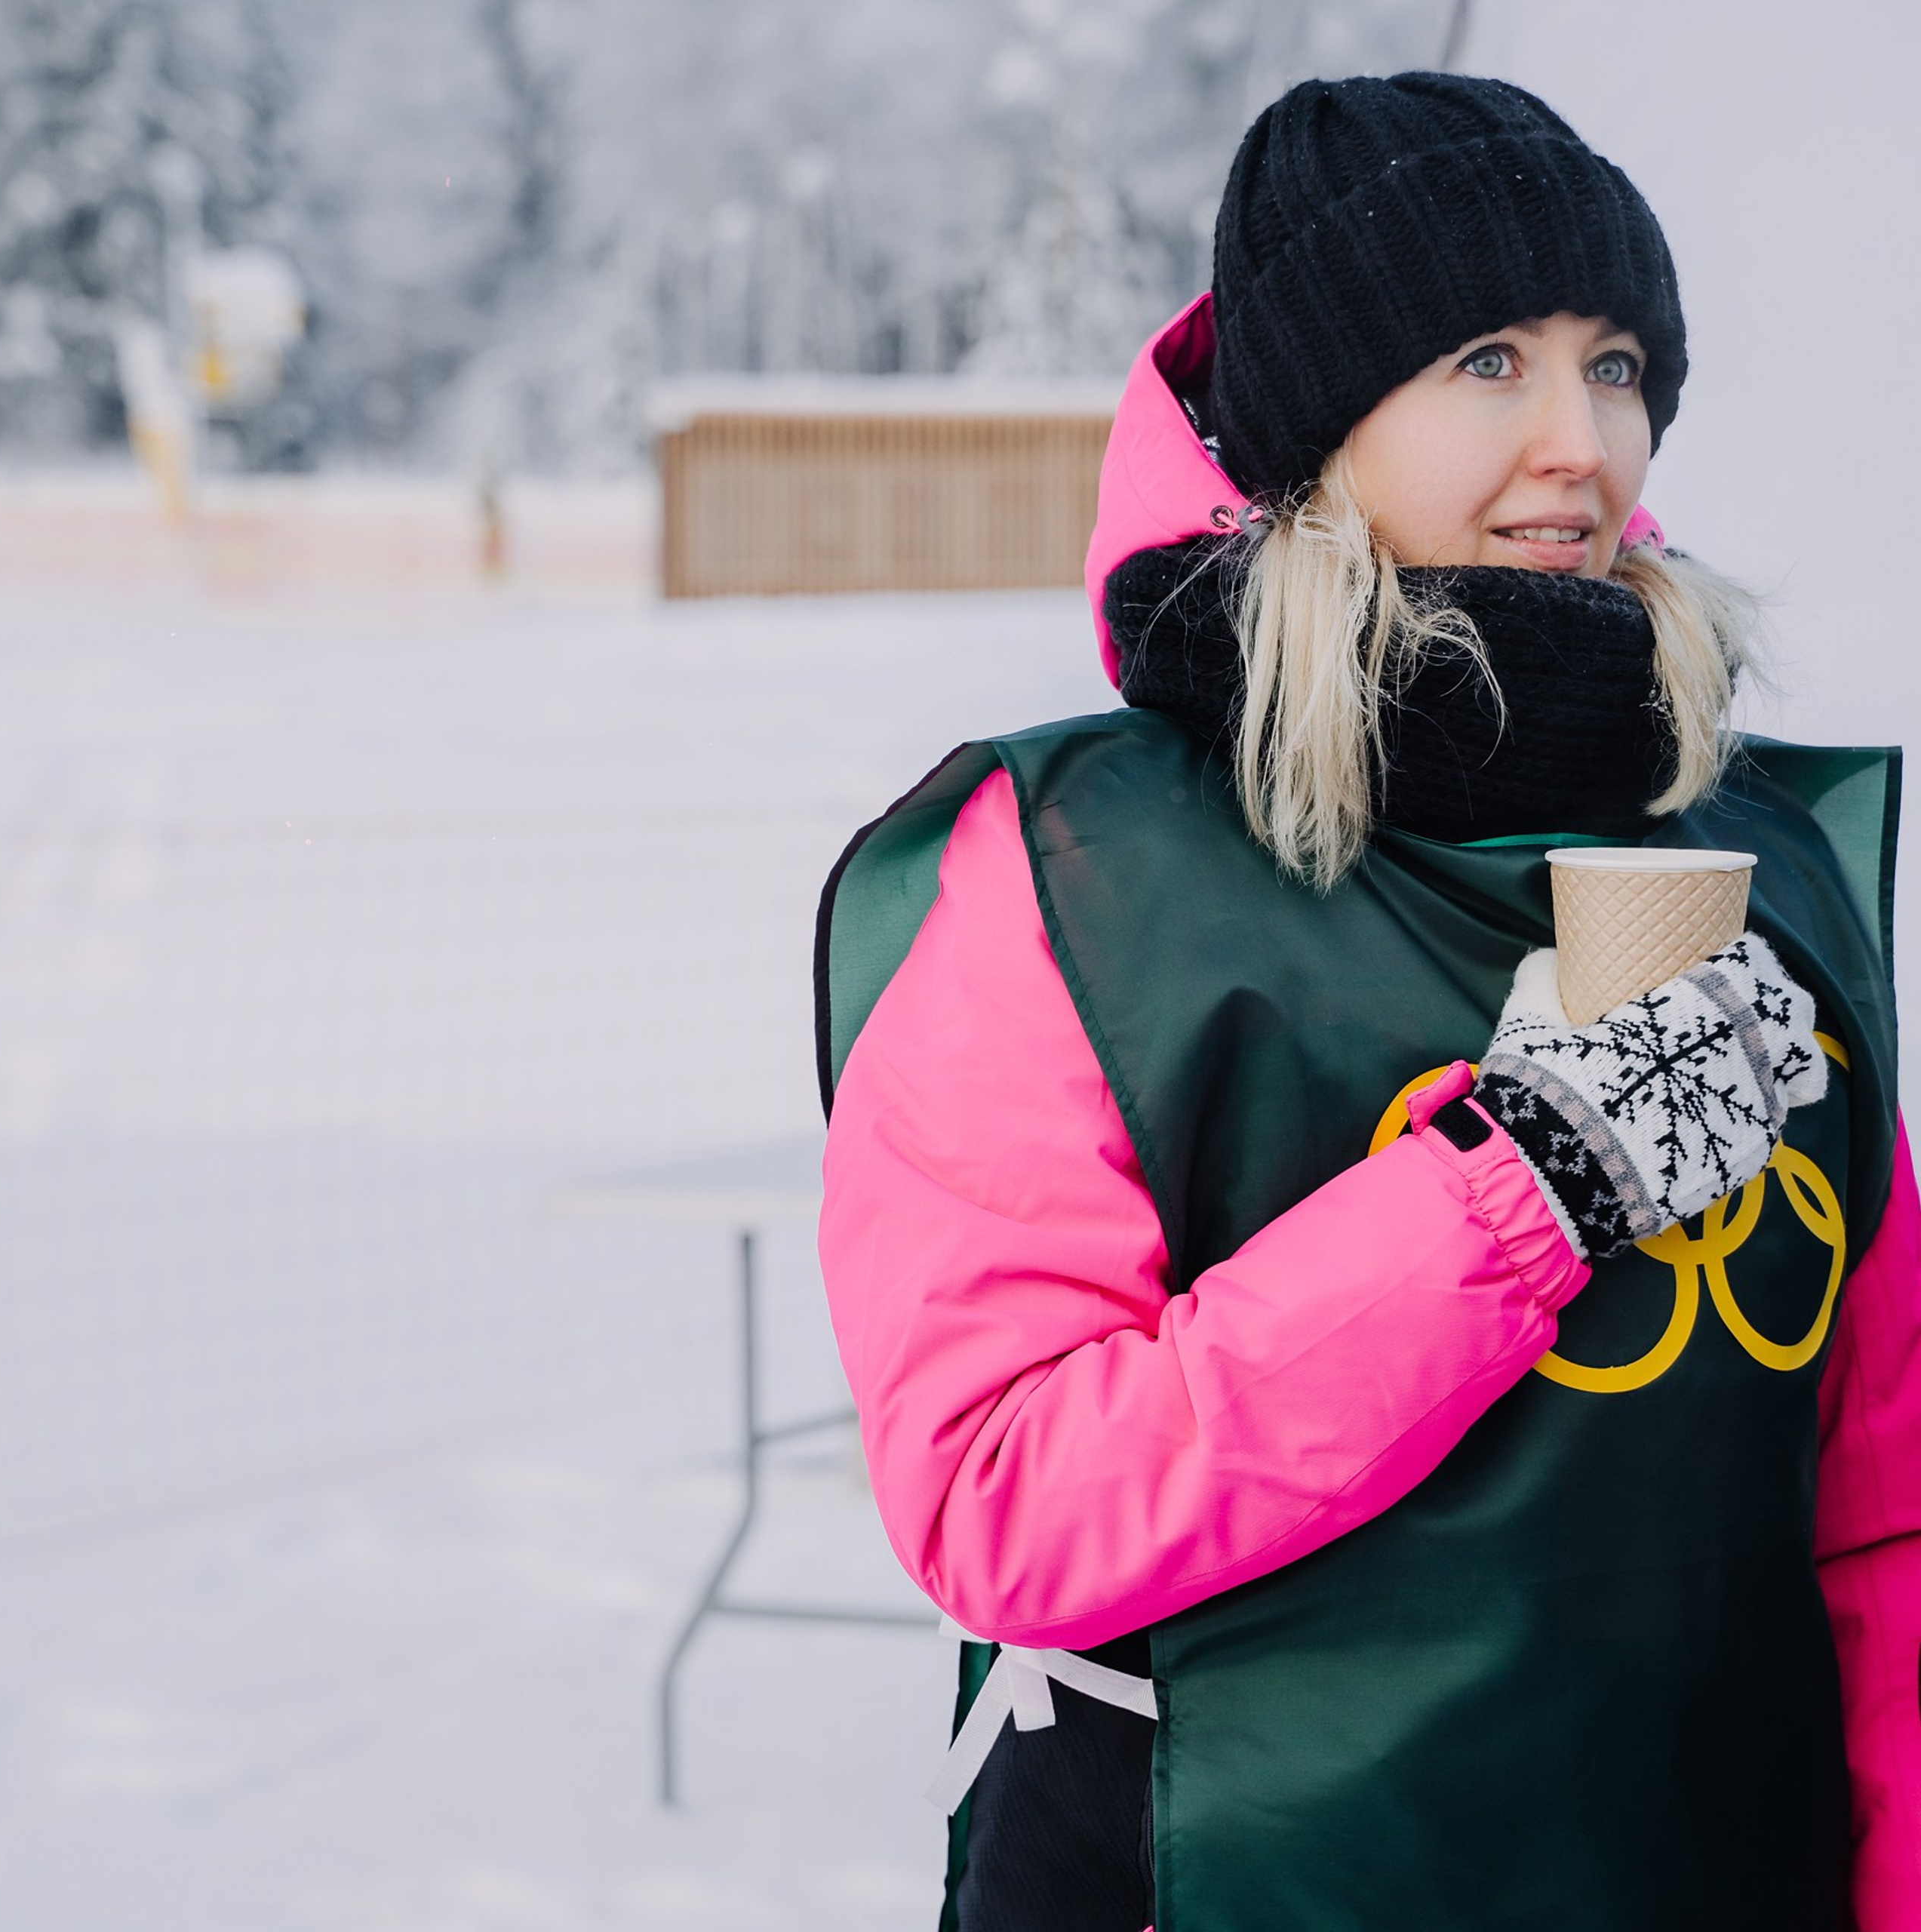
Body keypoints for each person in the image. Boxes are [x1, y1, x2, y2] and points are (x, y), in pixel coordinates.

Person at [814, 72, 1919, 1932]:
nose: (1579, 438)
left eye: (1618, 361)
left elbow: (1877, 1507)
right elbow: (1004, 1501)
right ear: (1318, 418)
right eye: (1487, 359)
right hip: (1243, 1877)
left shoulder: (1761, 852)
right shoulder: (1075, 868)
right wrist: (1528, 1186)